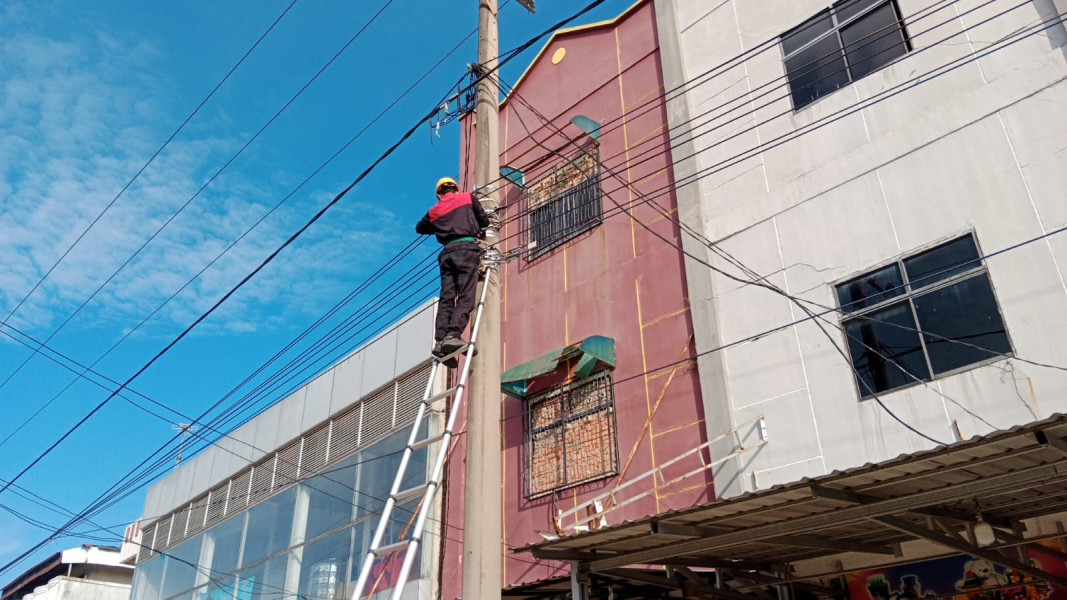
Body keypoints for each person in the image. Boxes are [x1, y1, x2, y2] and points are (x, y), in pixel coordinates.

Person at [416, 176, 490, 360]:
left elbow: (420, 228)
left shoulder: (434, 210)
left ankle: (441, 341)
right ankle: (453, 335)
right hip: (466, 249)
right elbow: (485, 222)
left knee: (447, 298)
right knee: (466, 295)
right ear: (455, 190)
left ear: (439, 195)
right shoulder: (467, 198)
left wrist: (442, 225)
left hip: (447, 254)